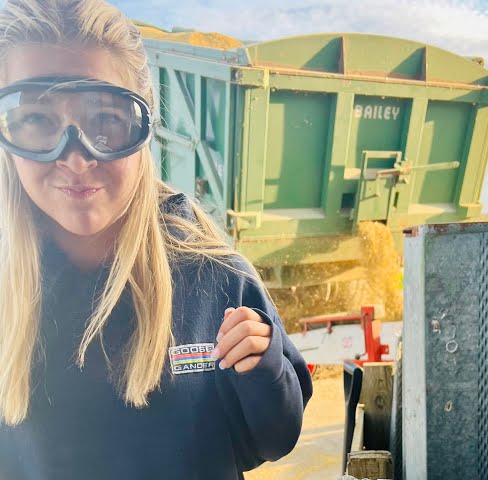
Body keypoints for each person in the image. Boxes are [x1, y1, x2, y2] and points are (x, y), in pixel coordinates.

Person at [0, 0, 313, 478]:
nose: (76, 158)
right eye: (37, 121)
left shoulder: (216, 278)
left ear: (143, 128)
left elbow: (273, 440)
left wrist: (264, 367)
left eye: (104, 120)